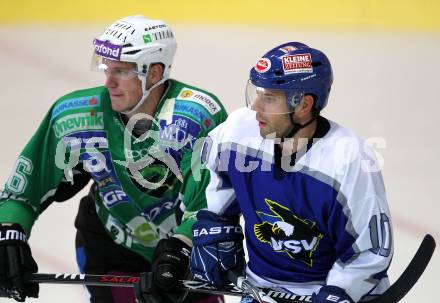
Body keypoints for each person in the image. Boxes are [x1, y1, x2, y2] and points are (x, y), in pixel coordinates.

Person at [0, 15, 227, 303]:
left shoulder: (197, 117)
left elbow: (210, 203)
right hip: (111, 246)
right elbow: (22, 192)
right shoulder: (75, 116)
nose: (108, 81)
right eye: (107, 67)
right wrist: (9, 231)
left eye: (121, 71)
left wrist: (182, 248)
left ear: (155, 74)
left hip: (184, 251)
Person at [190, 42, 393, 303]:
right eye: (258, 93)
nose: (255, 106)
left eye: (269, 98)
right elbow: (216, 180)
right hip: (259, 288)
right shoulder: (237, 133)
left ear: (304, 105)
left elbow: (369, 253)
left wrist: (339, 293)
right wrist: (216, 226)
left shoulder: (350, 160)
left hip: (323, 290)